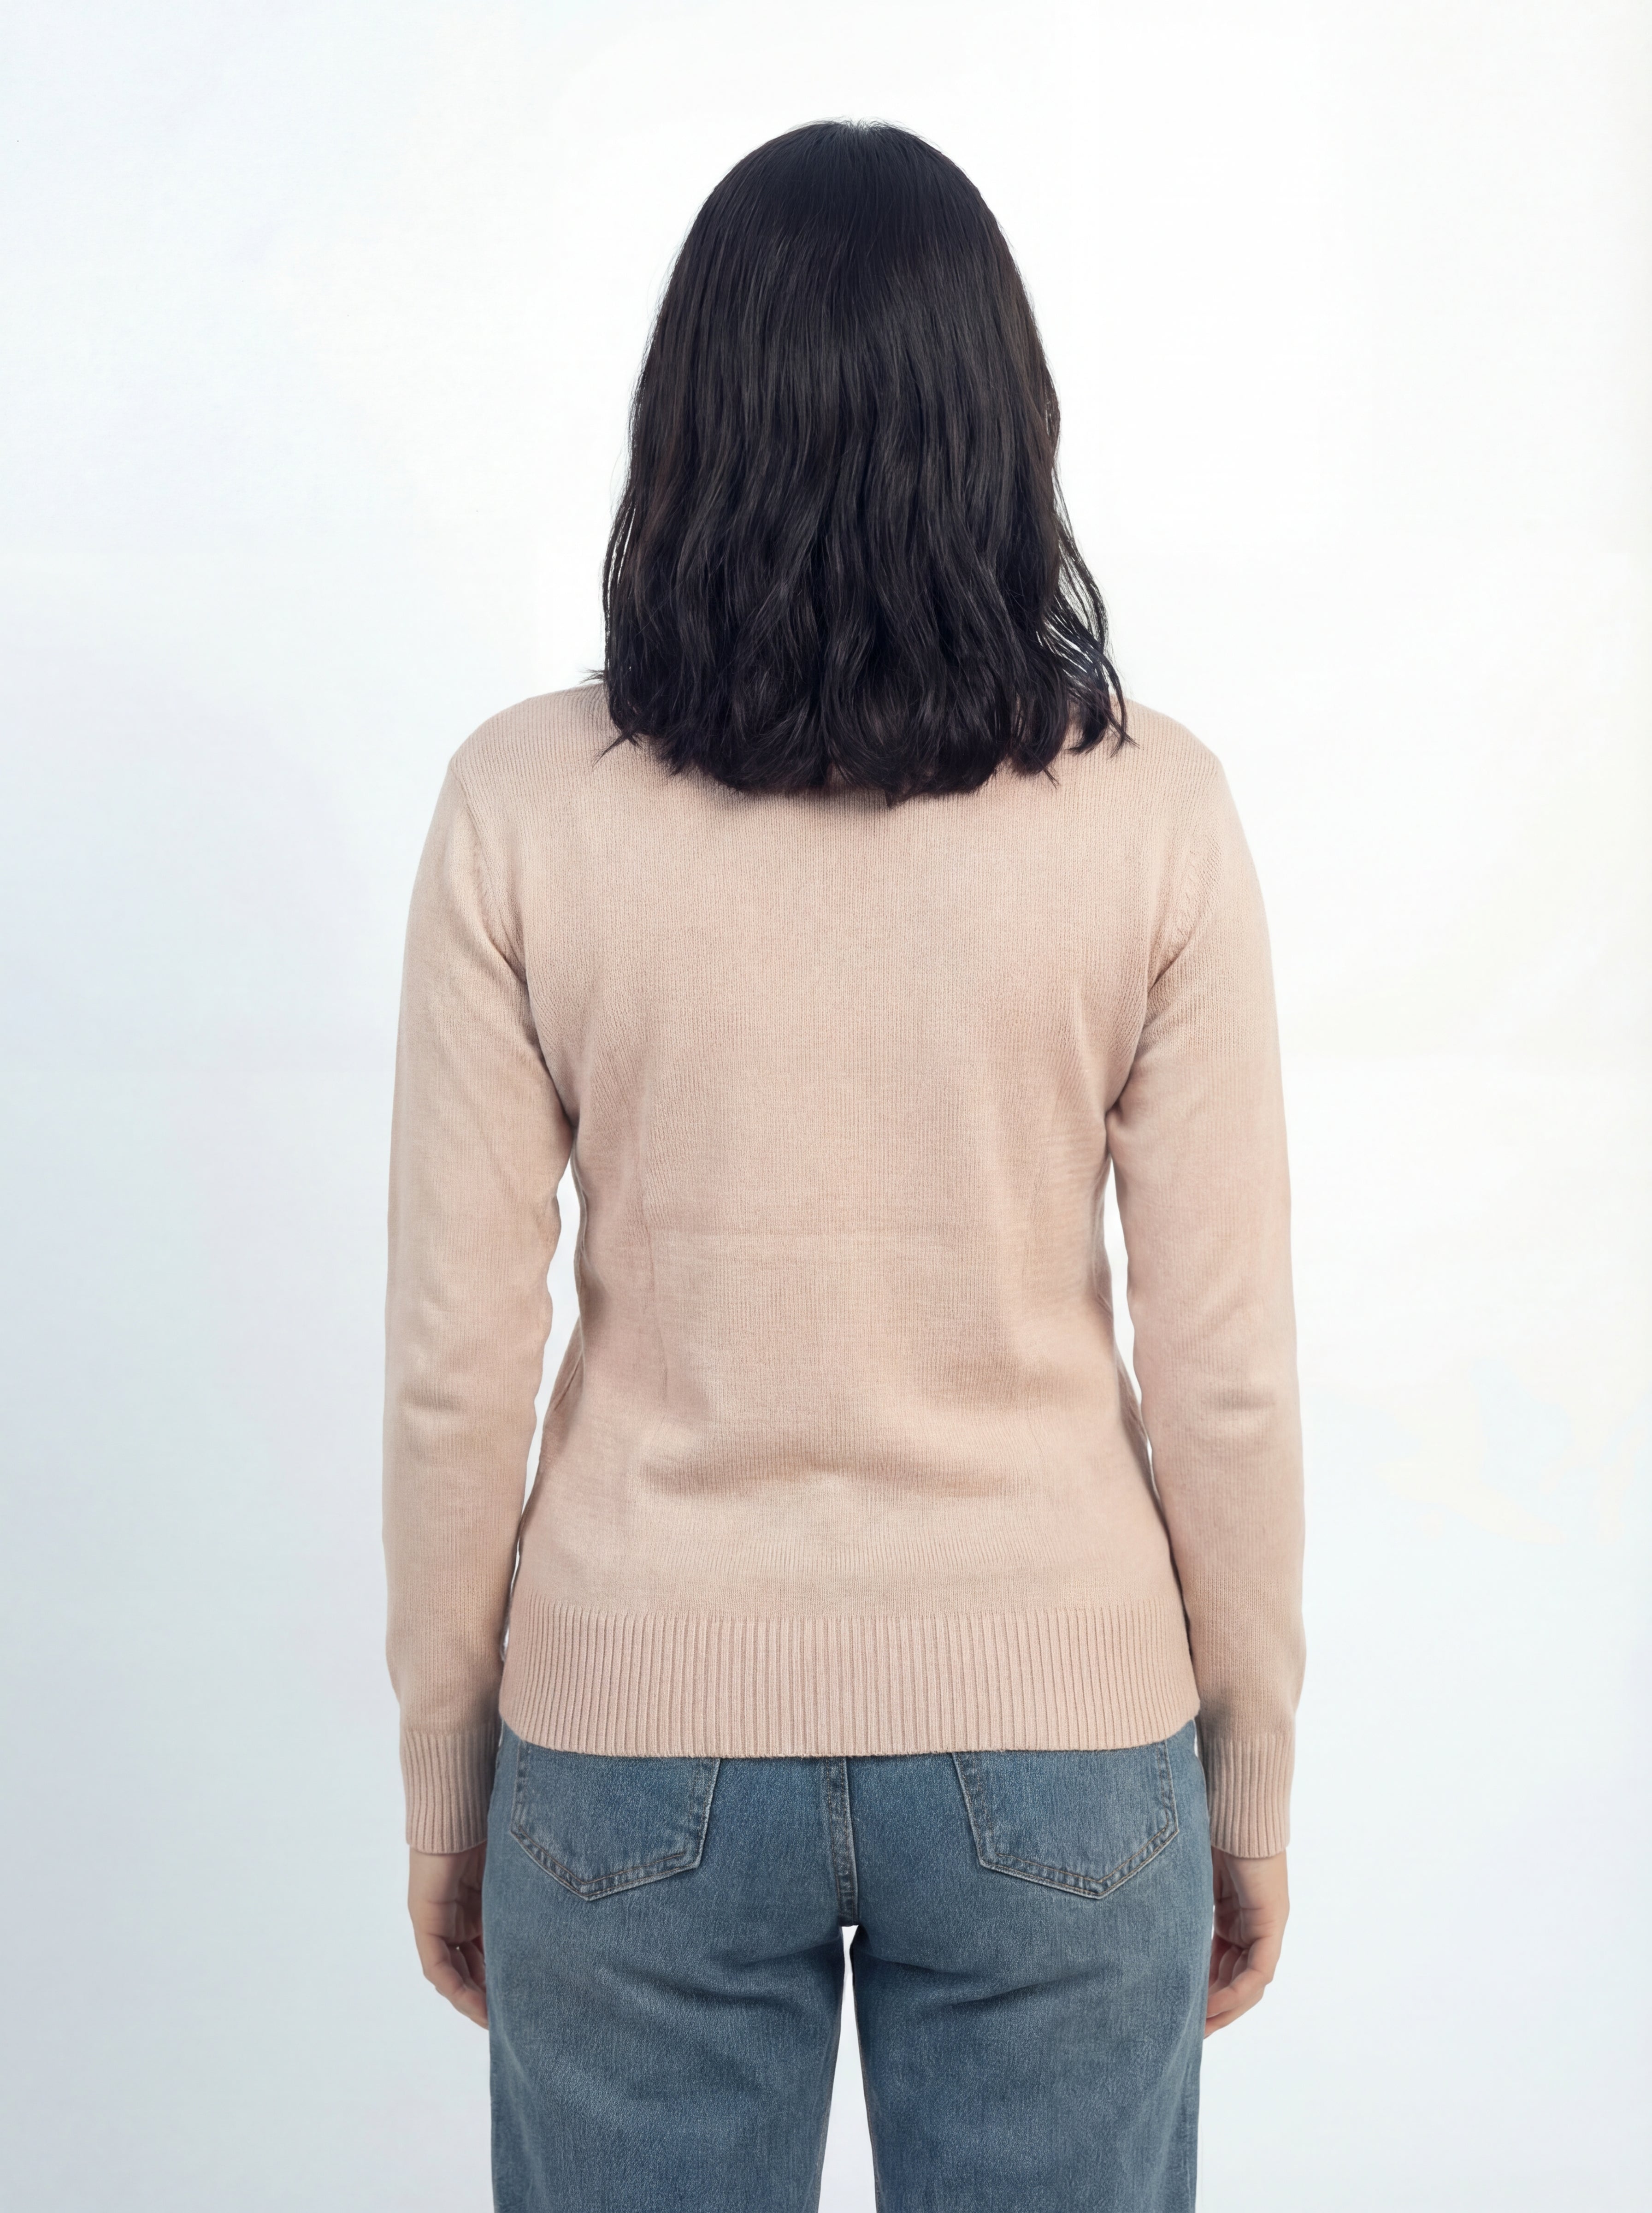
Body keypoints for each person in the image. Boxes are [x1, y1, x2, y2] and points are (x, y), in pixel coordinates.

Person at [383, 118, 1305, 2213]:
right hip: (1064, 1731)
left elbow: (454, 1367)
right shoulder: (1153, 814)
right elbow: (1228, 1374)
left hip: (630, 1739)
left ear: (688, 424)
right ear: (1005, 432)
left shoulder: (521, 806)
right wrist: (1244, 1770)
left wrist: (449, 1776)